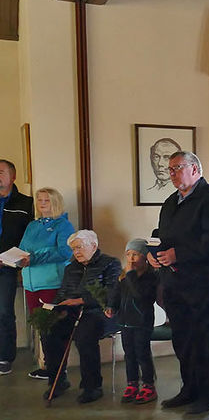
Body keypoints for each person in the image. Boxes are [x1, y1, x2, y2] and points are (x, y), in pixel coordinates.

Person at [149, 151, 209, 415]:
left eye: (177, 168)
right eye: (170, 169)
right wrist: (156, 255)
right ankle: (189, 389)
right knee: (183, 340)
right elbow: (164, 237)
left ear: (195, 169)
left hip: (204, 285)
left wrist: (178, 254)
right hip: (175, 283)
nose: (171, 173)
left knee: (204, 341)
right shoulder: (171, 202)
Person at [42, 230, 121, 403]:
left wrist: (81, 300)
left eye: (79, 247)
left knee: (84, 336)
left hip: (100, 312)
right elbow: (63, 293)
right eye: (73, 249)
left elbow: (111, 293)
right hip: (73, 311)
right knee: (48, 329)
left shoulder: (110, 263)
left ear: (93, 246)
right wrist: (56, 306)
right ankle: (58, 380)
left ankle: (92, 386)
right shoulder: (71, 267)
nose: (76, 252)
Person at [18, 187, 75, 380]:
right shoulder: (32, 225)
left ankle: (59, 369)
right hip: (31, 284)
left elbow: (64, 252)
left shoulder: (63, 225)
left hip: (52, 282)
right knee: (42, 326)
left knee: (55, 327)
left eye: (47, 200)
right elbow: (23, 249)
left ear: (55, 202)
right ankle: (49, 366)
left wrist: (33, 258)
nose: (42, 204)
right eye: (40, 200)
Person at [109, 239, 158, 404]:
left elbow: (140, 295)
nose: (131, 259)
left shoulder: (150, 277)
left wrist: (130, 275)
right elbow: (116, 293)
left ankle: (149, 385)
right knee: (129, 354)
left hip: (141, 322)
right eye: (128, 254)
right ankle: (132, 383)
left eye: (135, 255)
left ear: (145, 258)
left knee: (142, 354)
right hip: (125, 321)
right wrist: (111, 306)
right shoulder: (123, 276)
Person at [0, 159, 33, 376]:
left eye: (1, 172)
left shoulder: (25, 203)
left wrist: (19, 260)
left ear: (13, 177)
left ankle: (4, 357)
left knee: (4, 312)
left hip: (8, 266)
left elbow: (29, 237)